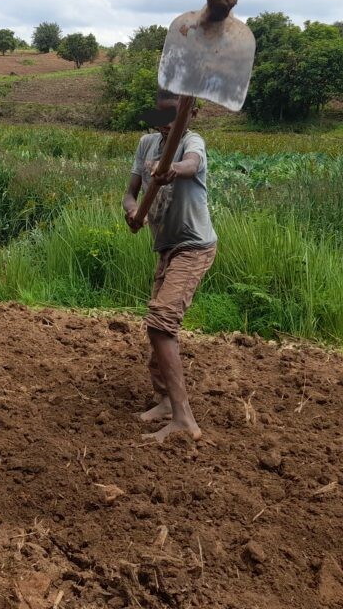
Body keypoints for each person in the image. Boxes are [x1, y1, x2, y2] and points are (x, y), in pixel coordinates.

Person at [123, 90, 217, 444]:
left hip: (194, 247)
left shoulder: (192, 140)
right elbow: (130, 192)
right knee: (157, 327)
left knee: (161, 321)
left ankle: (185, 420)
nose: (165, 122)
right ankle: (164, 400)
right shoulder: (146, 144)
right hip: (166, 248)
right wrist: (131, 210)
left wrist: (171, 170)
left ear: (190, 114)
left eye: (172, 114)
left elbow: (190, 164)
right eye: (159, 113)